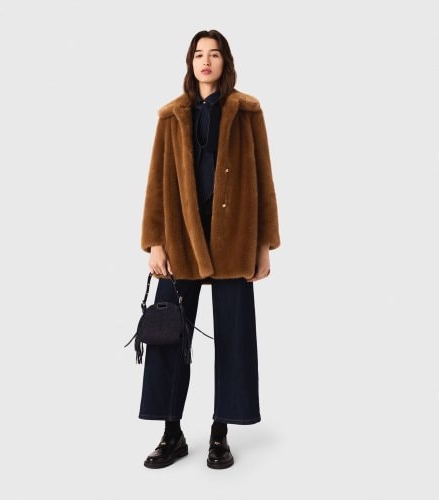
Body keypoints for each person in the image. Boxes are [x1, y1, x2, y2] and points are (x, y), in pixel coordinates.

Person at [138, 29, 281, 469]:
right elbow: (156, 183)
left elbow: (264, 181)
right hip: (180, 241)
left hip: (234, 241)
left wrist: (263, 246)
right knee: (168, 337)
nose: (206, 61)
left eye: (214, 54)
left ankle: (221, 432)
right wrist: (155, 243)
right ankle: (172, 432)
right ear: (190, 62)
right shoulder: (171, 116)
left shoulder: (247, 111)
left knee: (235, 339)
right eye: (199, 54)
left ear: (225, 62)